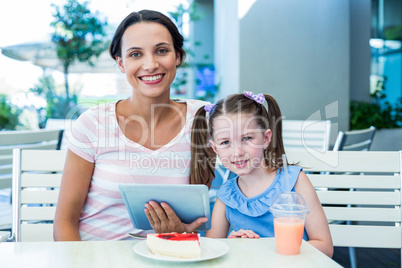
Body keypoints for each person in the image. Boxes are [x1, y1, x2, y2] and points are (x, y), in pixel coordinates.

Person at [53, 10, 212, 241]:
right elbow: (64, 222)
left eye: (162, 51)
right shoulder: (93, 123)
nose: (151, 64)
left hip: (174, 256)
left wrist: (183, 234)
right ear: (121, 63)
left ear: (178, 56)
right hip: (96, 257)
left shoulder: (205, 119)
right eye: (136, 54)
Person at [191, 92, 334, 257]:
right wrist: (232, 244)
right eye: (225, 142)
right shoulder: (226, 196)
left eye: (247, 138)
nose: (237, 152)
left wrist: (264, 249)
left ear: (266, 138)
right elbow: (212, 249)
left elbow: (325, 247)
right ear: (215, 148)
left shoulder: (295, 182)